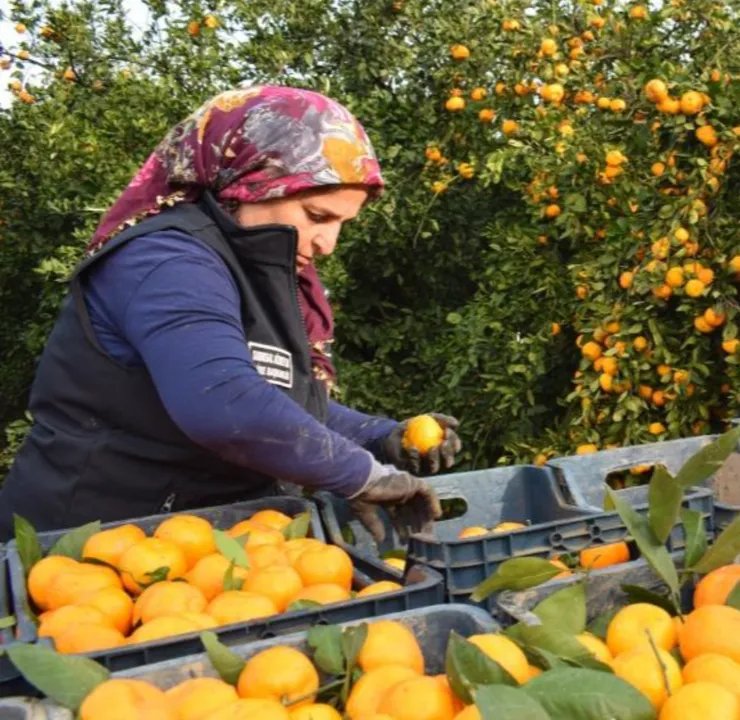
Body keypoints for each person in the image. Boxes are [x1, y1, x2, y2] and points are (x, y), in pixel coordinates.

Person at [0, 86, 461, 541]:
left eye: (342, 224)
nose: (328, 244)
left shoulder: (259, 269)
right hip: (89, 544)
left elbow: (277, 393)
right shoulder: (168, 260)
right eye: (317, 216)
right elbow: (224, 401)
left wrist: (380, 437)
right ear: (251, 182)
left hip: (201, 544)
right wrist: (361, 474)